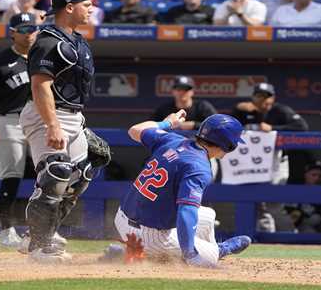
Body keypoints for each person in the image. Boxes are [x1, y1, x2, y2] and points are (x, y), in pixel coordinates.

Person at [19, 0, 109, 263]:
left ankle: (40, 232)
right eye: (87, 4)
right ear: (69, 7)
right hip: (47, 115)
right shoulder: (48, 41)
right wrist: (53, 125)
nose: (91, 9)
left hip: (73, 116)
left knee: (82, 174)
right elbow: (40, 85)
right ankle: (38, 246)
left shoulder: (79, 42)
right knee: (56, 173)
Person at [114, 112, 251, 268]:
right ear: (229, 145)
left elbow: (134, 130)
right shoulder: (198, 167)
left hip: (122, 217)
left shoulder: (172, 139)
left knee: (208, 216)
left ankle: (133, 250)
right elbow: (186, 211)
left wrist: (167, 123)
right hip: (149, 234)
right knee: (208, 258)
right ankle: (217, 251)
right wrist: (190, 253)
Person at [0, 13, 39, 248]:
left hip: (37, 120)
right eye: (24, 29)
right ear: (12, 32)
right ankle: (6, 230)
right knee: (11, 175)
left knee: (49, 173)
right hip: (9, 121)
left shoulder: (42, 56)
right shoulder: (1, 59)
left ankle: (40, 229)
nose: (29, 33)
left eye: (32, 28)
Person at [230, 82, 309, 231]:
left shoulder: (280, 110)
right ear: (253, 97)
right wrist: (236, 109)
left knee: (274, 203)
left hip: (276, 161)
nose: (263, 100)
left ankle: (289, 235)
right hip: (252, 162)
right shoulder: (244, 110)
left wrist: (273, 128)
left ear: (272, 98)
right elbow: (226, 125)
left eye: (266, 96)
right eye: (259, 96)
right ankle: (267, 237)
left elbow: (302, 127)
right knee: (257, 204)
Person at [152, 75, 217, 131]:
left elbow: (217, 125)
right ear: (173, 91)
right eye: (179, 89)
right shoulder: (164, 109)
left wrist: (194, 125)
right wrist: (167, 125)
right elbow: (151, 127)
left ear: (192, 91)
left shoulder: (203, 107)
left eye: (186, 89)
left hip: (198, 143)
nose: (182, 92)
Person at [285, 160, 321, 233]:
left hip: (305, 227)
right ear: (306, 175)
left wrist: (300, 217)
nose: (317, 179)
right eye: (313, 175)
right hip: (284, 224)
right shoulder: (293, 189)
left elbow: (317, 220)